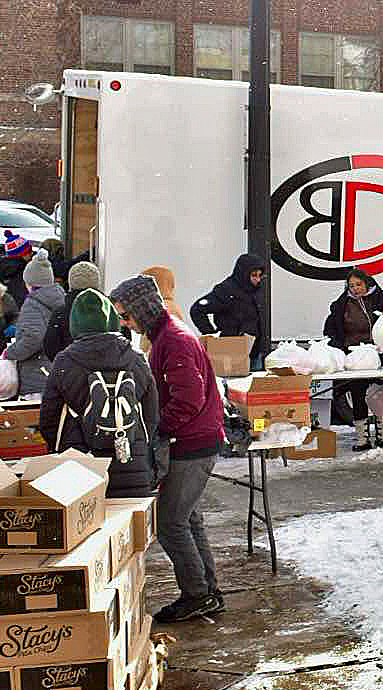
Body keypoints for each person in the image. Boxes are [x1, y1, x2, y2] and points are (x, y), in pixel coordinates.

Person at [110, 275, 225, 622]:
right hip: (194, 439)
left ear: (142, 310)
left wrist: (155, 428)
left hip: (193, 443)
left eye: (126, 316)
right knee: (187, 518)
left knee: (170, 522)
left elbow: (187, 399)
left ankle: (198, 594)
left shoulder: (173, 341)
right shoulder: (165, 336)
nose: (124, 323)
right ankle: (206, 590)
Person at [39, 289, 158, 497]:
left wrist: (64, 447)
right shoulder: (136, 358)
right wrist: (132, 437)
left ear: (75, 325)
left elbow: (49, 419)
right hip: (132, 464)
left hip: (82, 467)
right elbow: (151, 415)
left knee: (88, 526)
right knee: (132, 526)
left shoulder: (64, 361)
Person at [323, 268, 383, 451]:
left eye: (359, 284)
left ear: (367, 283)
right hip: (357, 358)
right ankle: (361, 437)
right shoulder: (340, 305)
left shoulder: (382, 297)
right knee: (358, 393)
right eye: (351, 286)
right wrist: (340, 350)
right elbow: (331, 331)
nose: (356, 289)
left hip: (382, 356)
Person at [1, 250, 63, 398]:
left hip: (36, 376)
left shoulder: (33, 304)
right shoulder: (61, 298)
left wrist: (9, 353)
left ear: (29, 282)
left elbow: (33, 338)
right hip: (56, 373)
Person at [191, 254, 267, 370]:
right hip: (231, 354)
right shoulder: (226, 290)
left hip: (254, 354)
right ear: (243, 274)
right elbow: (197, 310)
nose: (257, 279)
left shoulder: (255, 290)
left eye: (259, 275)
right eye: (253, 275)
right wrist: (212, 335)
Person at [44, 260, 103, 361]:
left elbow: (50, 347)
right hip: (106, 374)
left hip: (71, 371)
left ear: (71, 283)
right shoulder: (109, 311)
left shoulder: (61, 313)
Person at [0, 231, 33, 305]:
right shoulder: (21, 271)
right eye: (29, 251)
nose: (32, 253)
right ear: (20, 255)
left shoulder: (3, 267)